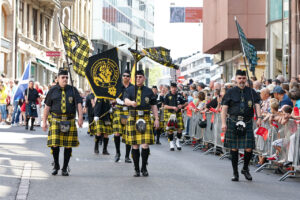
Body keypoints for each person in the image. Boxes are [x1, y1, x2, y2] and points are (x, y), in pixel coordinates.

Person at [221, 70, 262, 181]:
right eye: (239, 78)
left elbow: (257, 104)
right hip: (233, 121)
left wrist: (259, 118)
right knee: (234, 148)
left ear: (246, 79)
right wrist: (223, 123)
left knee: (249, 148)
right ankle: (235, 173)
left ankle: (245, 169)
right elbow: (224, 108)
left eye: (243, 78)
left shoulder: (251, 91)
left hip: (247, 121)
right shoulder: (230, 92)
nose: (242, 80)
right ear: (236, 79)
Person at [42, 68, 83, 176]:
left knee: (68, 145)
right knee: (55, 145)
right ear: (58, 78)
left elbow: (79, 103)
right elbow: (47, 107)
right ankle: (56, 165)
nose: (65, 79)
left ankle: (64, 168)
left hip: (69, 120)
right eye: (63, 77)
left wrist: (80, 117)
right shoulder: (52, 90)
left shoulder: (73, 89)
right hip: (56, 120)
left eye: (66, 77)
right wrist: (44, 121)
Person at [123, 69, 159, 177]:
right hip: (133, 117)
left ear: (144, 78)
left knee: (145, 144)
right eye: (137, 77)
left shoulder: (149, 91)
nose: (138, 78)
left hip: (145, 117)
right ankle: (136, 169)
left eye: (140, 77)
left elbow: (154, 106)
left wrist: (156, 118)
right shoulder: (130, 90)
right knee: (135, 145)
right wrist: (131, 103)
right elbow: (125, 100)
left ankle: (144, 168)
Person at [112, 70, 133, 163]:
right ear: (122, 77)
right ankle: (117, 153)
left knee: (128, 134)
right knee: (117, 133)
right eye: (124, 75)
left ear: (130, 77)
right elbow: (111, 97)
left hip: (128, 111)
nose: (125, 77)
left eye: (127, 76)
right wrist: (114, 101)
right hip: (118, 110)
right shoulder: (117, 87)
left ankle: (127, 156)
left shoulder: (133, 88)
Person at [164, 82, 187, 151]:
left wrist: (182, 106)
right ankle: (171, 143)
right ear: (170, 88)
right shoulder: (167, 96)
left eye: (175, 88)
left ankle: (177, 142)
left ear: (176, 88)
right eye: (172, 88)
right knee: (170, 130)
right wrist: (173, 107)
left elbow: (186, 102)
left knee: (180, 129)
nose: (173, 89)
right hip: (171, 114)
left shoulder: (179, 95)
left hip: (178, 114)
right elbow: (165, 106)